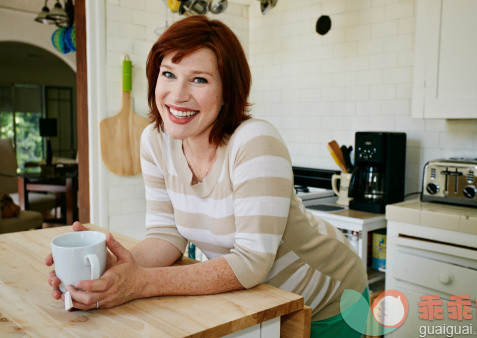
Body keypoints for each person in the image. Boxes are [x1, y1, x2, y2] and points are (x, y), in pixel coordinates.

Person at [46, 15, 368, 337]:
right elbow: (166, 235)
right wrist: (100, 268)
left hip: (332, 299)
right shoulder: (155, 141)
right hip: (260, 302)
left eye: (199, 80)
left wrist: (140, 283)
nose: (177, 95)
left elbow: (251, 261)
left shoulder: (255, 142)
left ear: (228, 90)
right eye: (168, 74)